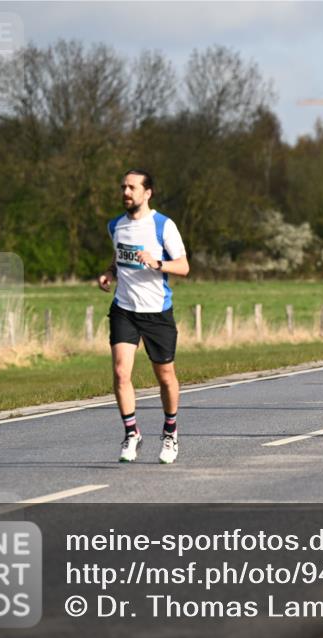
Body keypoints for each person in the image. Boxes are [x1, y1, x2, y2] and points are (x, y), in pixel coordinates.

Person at [98, 170, 189, 463]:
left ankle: (171, 432)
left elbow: (184, 267)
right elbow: (119, 257)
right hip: (124, 309)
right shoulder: (115, 226)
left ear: (147, 193)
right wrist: (109, 273)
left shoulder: (163, 225)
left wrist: (157, 262)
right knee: (121, 373)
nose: (126, 192)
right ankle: (131, 433)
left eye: (132, 187)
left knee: (165, 377)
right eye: (123, 186)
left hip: (157, 312)